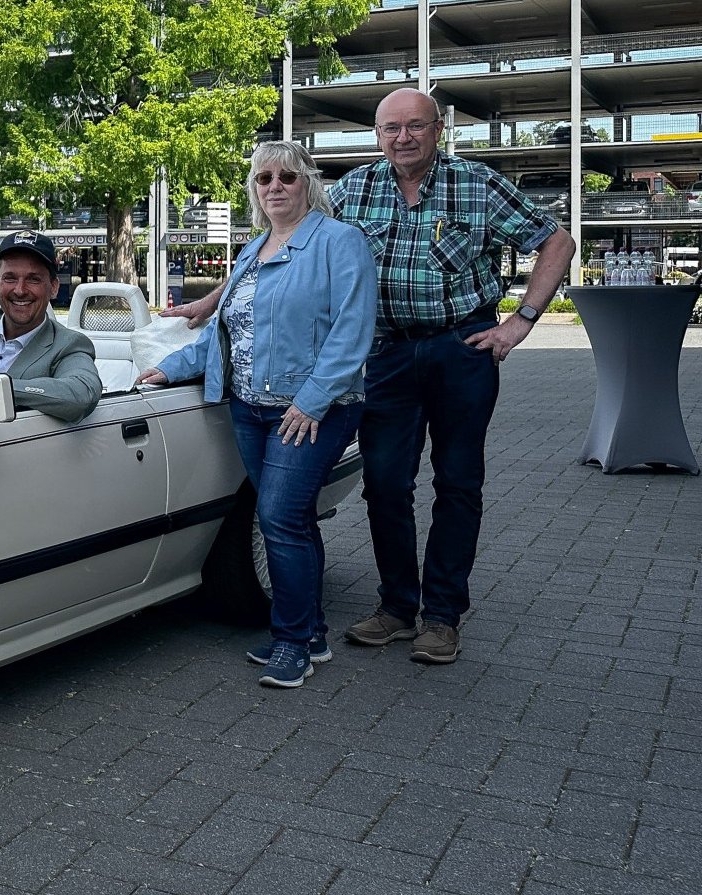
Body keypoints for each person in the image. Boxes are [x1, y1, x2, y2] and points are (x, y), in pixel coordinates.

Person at [163, 89, 575, 664]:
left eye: (414, 127)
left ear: (438, 130)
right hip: (384, 355)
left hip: (461, 347)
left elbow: (556, 240)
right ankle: (397, 605)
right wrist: (214, 302)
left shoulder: (479, 185)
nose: (402, 138)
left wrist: (522, 320)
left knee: (457, 483)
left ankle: (443, 615)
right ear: (377, 135)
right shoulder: (354, 189)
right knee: (386, 482)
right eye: (390, 129)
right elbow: (283, 251)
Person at [138, 141, 377, 689]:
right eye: (264, 178)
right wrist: (171, 367)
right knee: (289, 521)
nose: (275, 187)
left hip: (312, 410)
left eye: (286, 177)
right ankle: (310, 631)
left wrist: (312, 400)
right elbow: (226, 330)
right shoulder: (254, 249)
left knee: (278, 517)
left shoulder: (340, 242)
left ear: (307, 183)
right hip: (248, 408)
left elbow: (352, 331)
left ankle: (292, 642)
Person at [0, 231, 101, 422]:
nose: (20, 290)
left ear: (54, 287)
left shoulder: (67, 344)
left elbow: (81, 394)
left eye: (33, 279)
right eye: (10, 278)